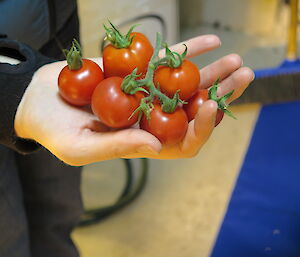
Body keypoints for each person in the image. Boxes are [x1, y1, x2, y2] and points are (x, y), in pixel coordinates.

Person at [0, 1, 254, 257]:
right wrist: (11, 91)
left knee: (60, 206)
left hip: (54, 23)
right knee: (7, 233)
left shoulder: (128, 77)